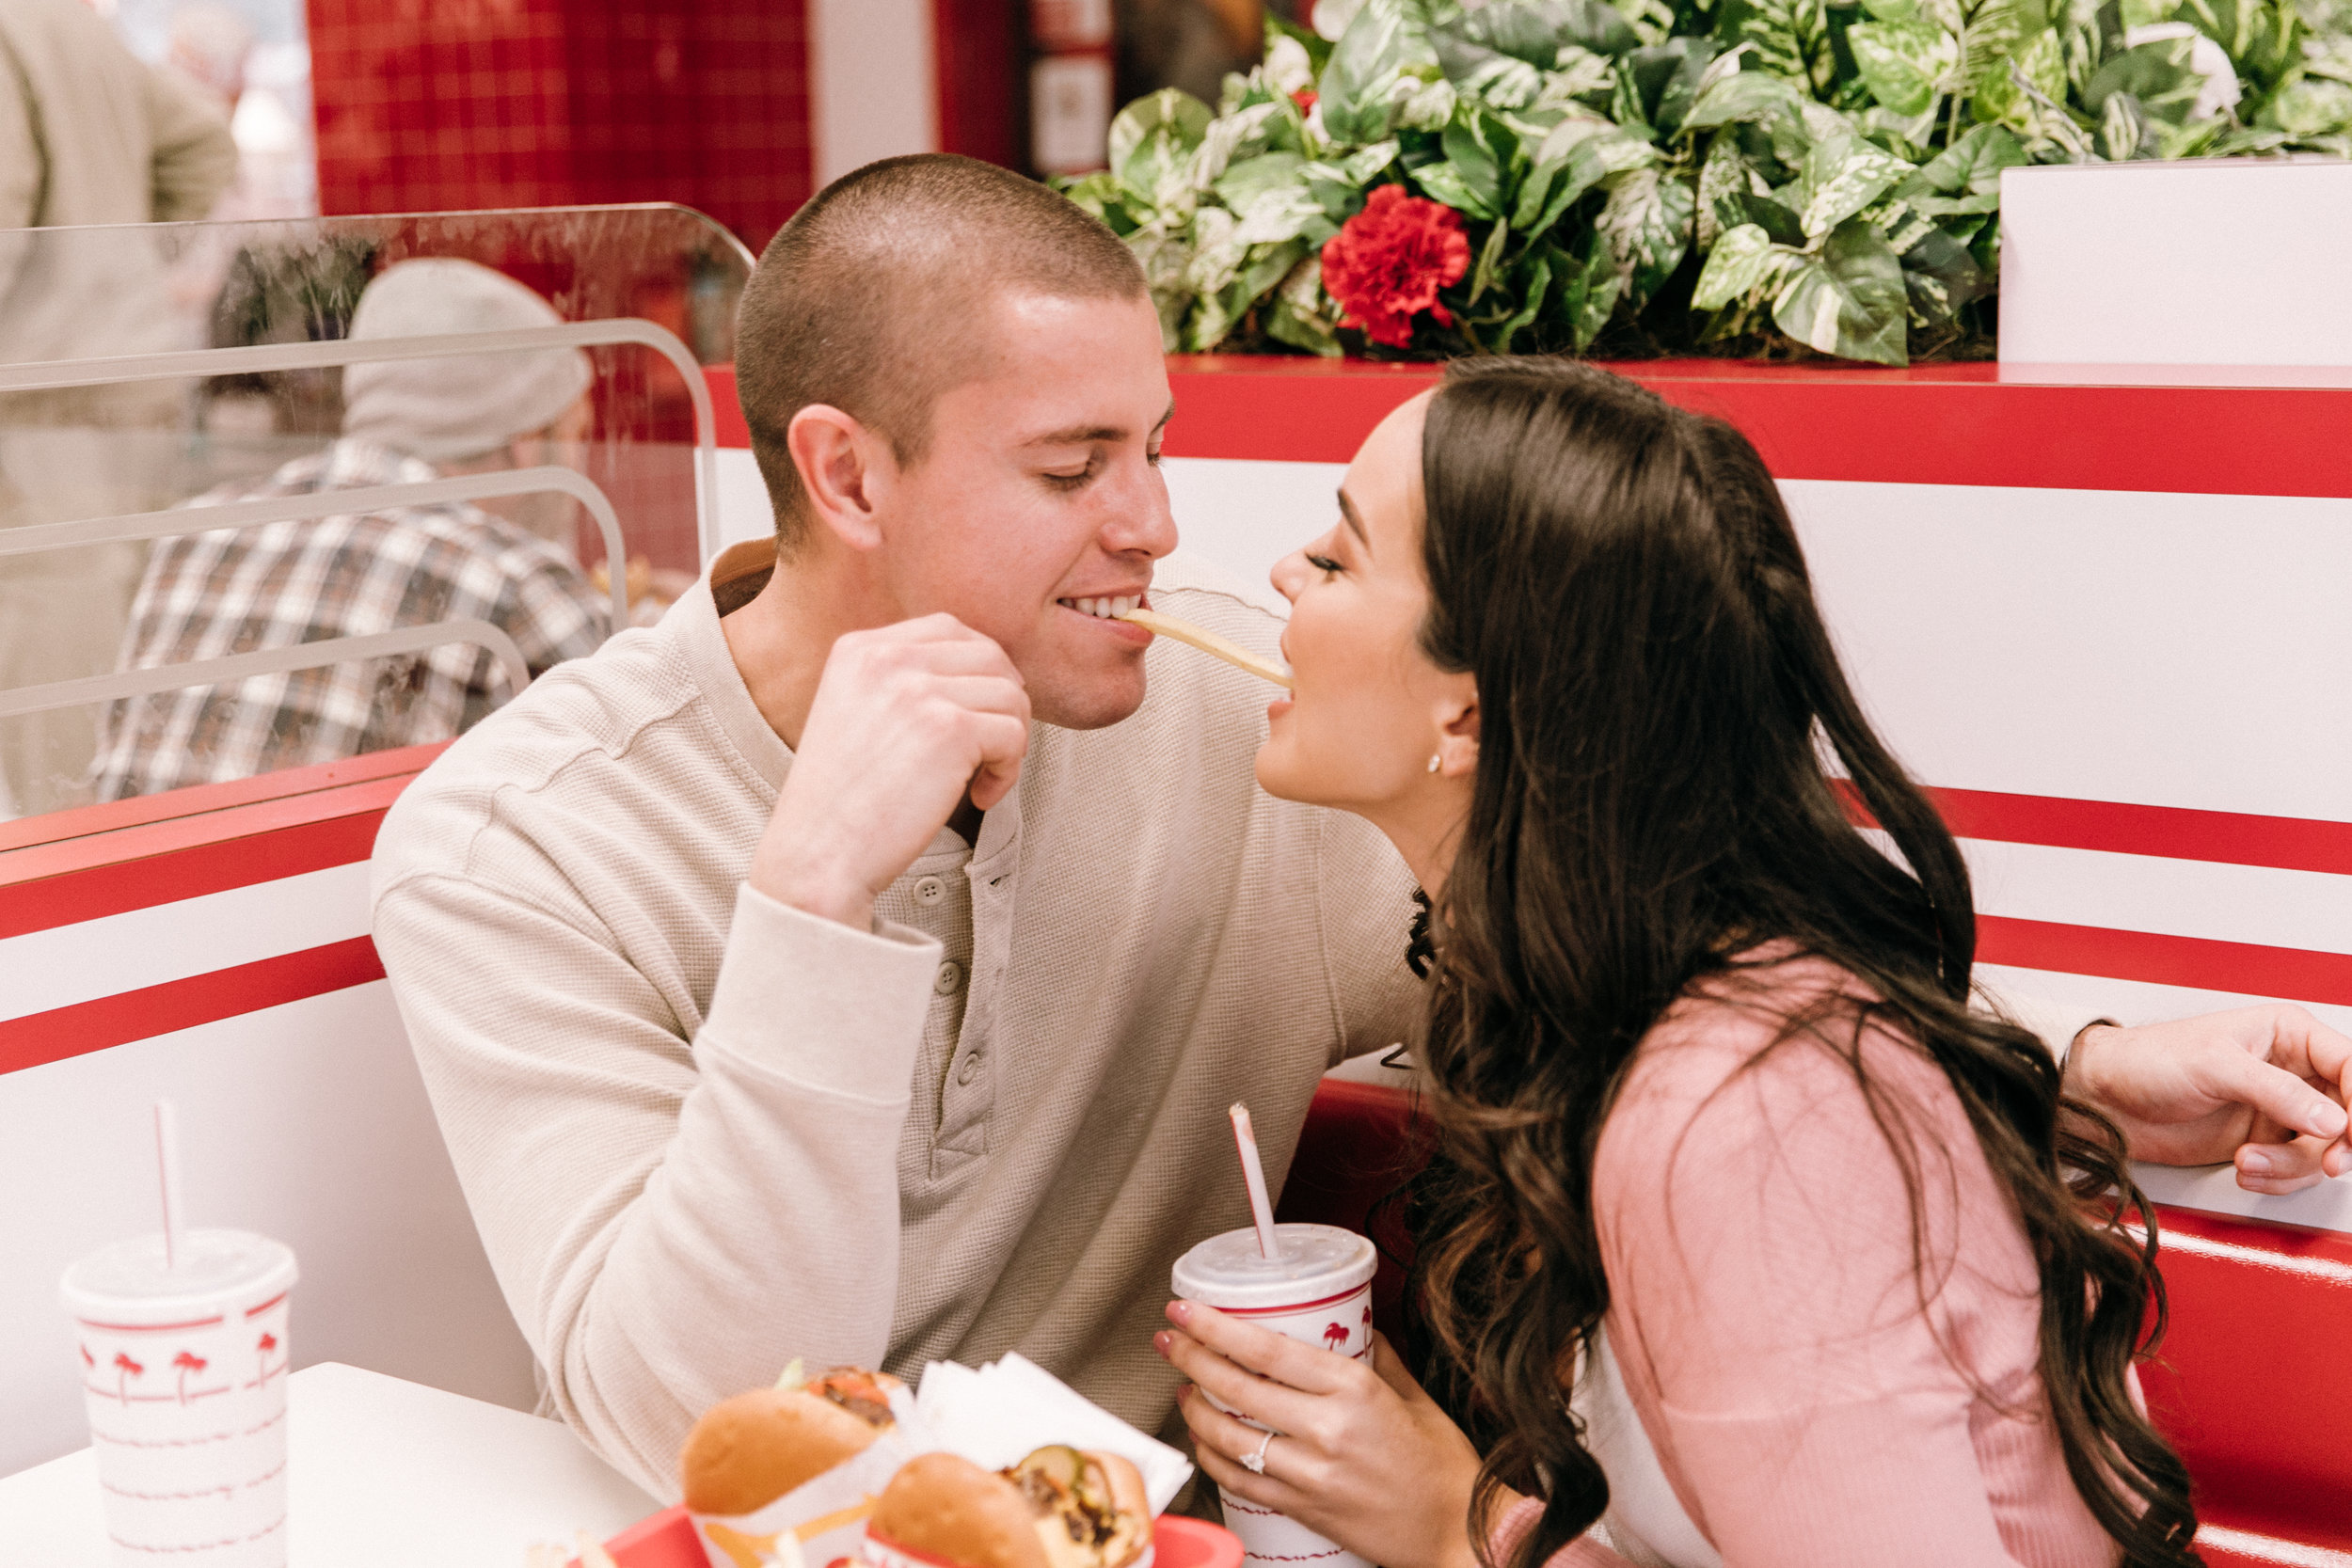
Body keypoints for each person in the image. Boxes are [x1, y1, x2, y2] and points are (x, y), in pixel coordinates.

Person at [373, 155, 2346, 1507]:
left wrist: (2077, 1055)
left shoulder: (1240, 728)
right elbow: (692, 1423)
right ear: (844, 473)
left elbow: (1649, 919)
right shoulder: (506, 849)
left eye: (1153, 446)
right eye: (1074, 467)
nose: (1156, 526)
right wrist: (813, 895)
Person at [1154, 360, 2352, 1565]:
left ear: (1467, 716)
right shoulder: (1608, 989)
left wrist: (1451, 1523)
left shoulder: (1742, 1117)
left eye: (1339, 555)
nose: (1281, 577)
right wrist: (2085, 1070)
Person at [88, 258, 611, 801]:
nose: (583, 463)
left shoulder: (193, 536)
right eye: (578, 431)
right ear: (527, 440)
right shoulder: (518, 583)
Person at [0, 0, 236, 815]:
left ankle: (71, 909)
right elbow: (202, 142)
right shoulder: (64, 19)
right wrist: (115, 271)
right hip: (122, 389)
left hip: (36, 412)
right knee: (127, 654)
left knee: (53, 686)